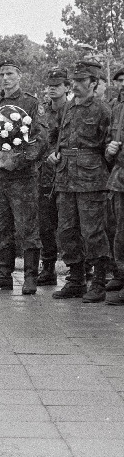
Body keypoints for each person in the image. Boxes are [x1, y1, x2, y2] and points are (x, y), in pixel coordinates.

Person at [0, 60, 45, 295]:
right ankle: (3, 275)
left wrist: (22, 160)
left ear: (19, 76)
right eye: (2, 75)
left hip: (22, 177)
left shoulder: (31, 104)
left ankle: (30, 277)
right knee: (0, 226)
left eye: (10, 73)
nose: (5, 78)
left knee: (28, 228)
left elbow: (40, 138)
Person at [48, 60, 113, 302]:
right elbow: (55, 135)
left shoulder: (102, 110)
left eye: (81, 80)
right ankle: (75, 279)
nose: (75, 85)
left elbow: (109, 147)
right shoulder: (67, 108)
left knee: (93, 231)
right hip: (65, 177)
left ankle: (98, 281)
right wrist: (53, 153)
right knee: (66, 231)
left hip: (91, 179)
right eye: (73, 81)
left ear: (94, 83)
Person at [36, 67, 70, 286]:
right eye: (49, 85)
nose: (52, 89)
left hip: (69, 176)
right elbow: (37, 139)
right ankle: (47, 269)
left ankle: (80, 270)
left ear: (67, 87)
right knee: (45, 225)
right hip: (45, 176)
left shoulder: (72, 110)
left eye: (57, 85)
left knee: (69, 226)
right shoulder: (41, 112)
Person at [105, 71, 124, 305]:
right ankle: (121, 274)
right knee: (119, 230)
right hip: (120, 177)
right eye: (119, 81)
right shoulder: (117, 109)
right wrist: (109, 151)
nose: (122, 85)